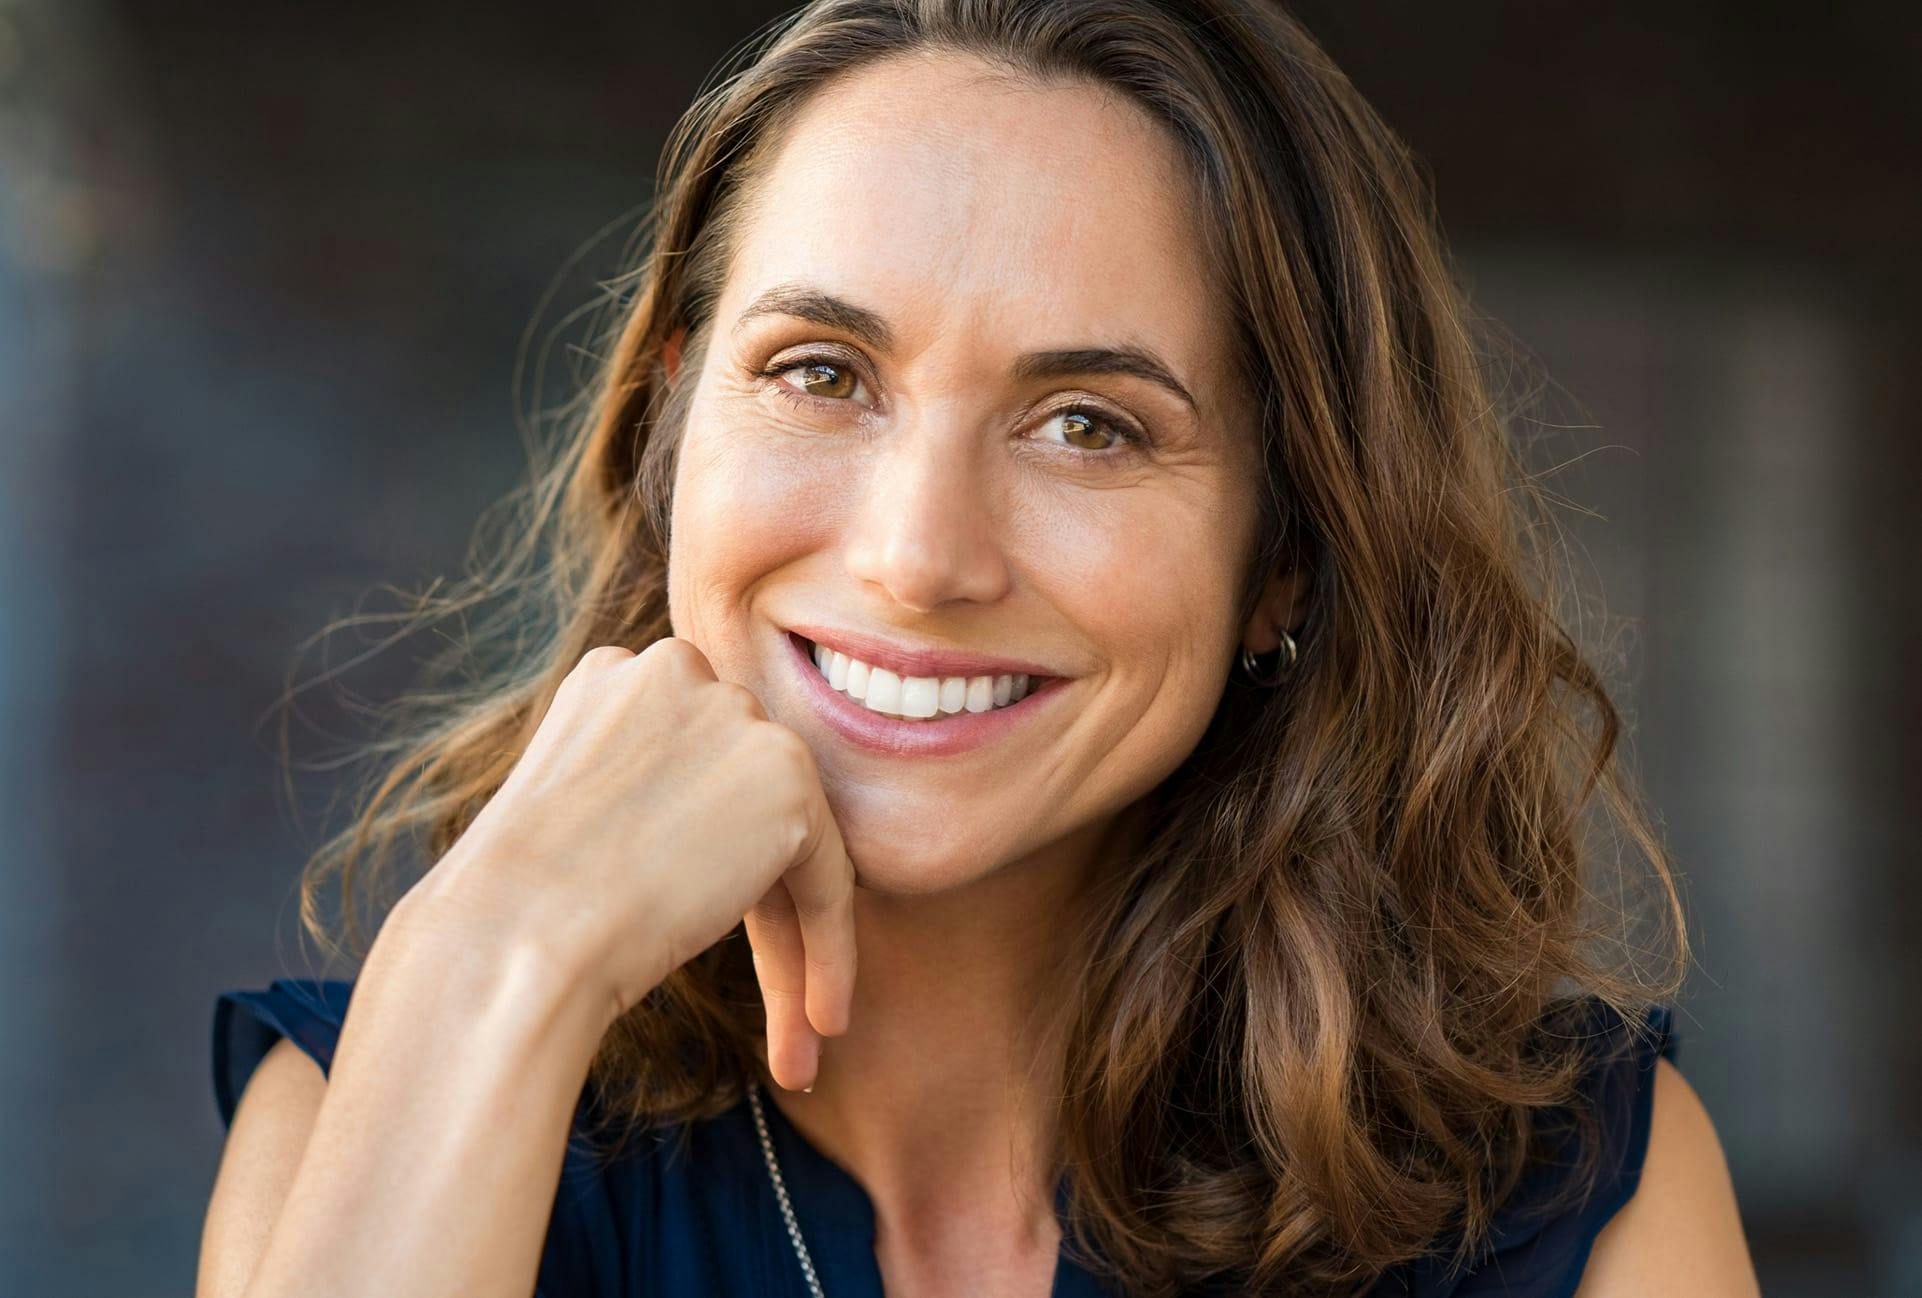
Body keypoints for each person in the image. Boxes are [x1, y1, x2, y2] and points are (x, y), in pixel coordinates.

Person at [196, 1, 1762, 1295]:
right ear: (674, 426)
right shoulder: (383, 1091)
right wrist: (502, 947)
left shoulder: (1569, 1201)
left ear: (1281, 560)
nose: (918, 555)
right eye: (822, 372)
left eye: (1088, 424)